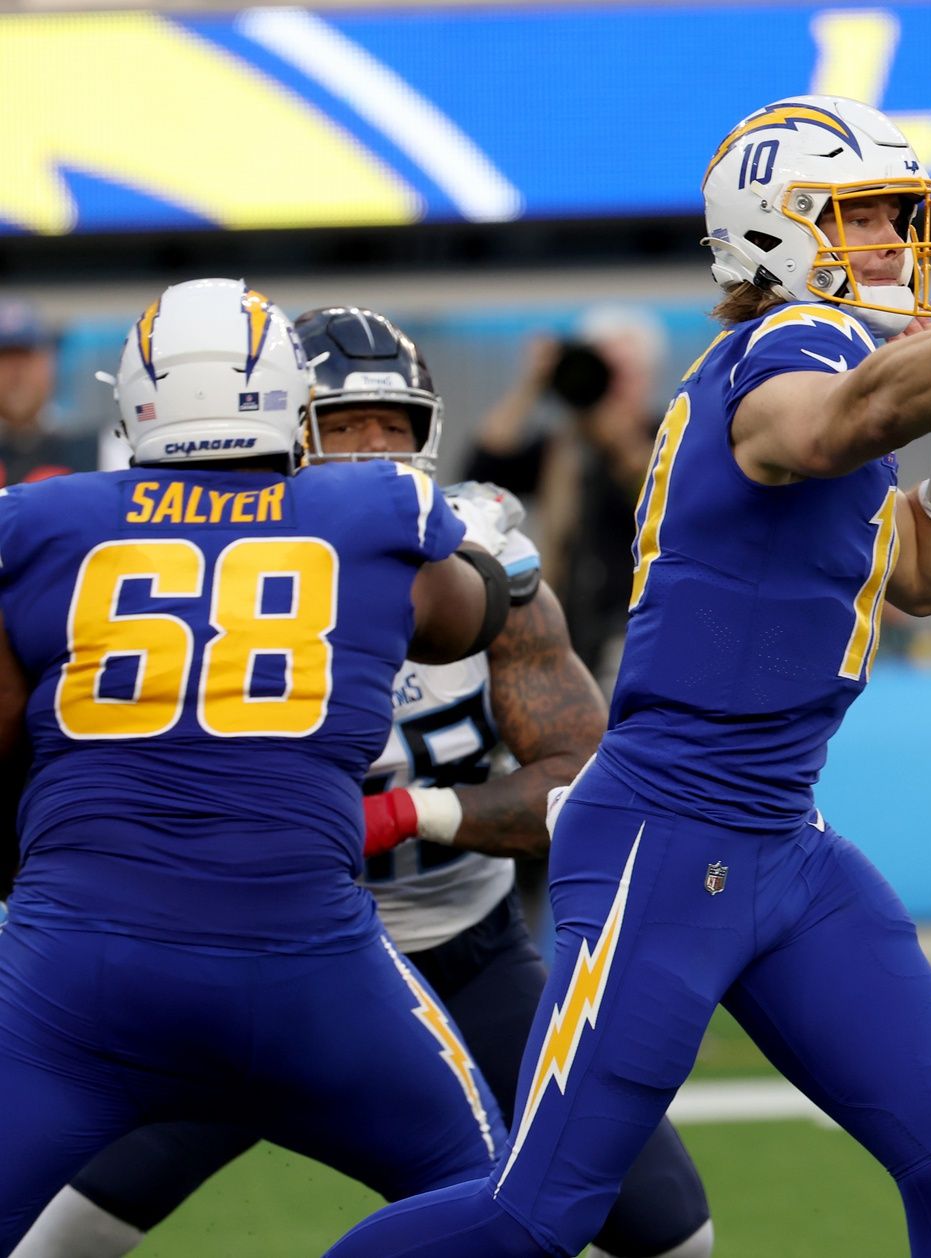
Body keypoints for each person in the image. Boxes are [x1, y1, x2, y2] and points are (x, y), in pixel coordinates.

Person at [322, 93, 931, 1258]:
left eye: (897, 216)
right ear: (778, 230)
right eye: (865, 217)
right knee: (540, 1215)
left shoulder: (837, 371)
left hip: (782, 836)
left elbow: (922, 576)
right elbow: (822, 431)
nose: (893, 245)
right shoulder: (789, 343)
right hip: (666, 835)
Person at [12, 307, 713, 1258]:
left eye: (397, 425)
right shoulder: (279, 556)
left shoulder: (466, 545)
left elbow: (588, 785)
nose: (377, 449)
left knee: (676, 1236)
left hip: (455, 949)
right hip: (278, 948)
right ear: (288, 427)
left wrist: (407, 812)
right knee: (68, 1237)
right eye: (346, 425)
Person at [0, 278, 517, 1251]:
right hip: (306, 963)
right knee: (495, 1200)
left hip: (78, 969)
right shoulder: (378, 506)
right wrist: (482, 550)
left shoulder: (36, 524)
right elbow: (466, 619)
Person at [465, 308, 668, 675]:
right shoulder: (562, 448)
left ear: (647, 378)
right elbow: (482, 465)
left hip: (637, 633)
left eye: (623, 375)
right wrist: (534, 384)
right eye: (605, 373)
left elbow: (659, 499)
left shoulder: (668, 439)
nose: (612, 387)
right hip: (567, 632)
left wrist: (616, 438)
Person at [0, 297, 96, 486]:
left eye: (26, 356)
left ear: (50, 362)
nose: (17, 373)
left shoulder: (95, 448)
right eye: (5, 358)